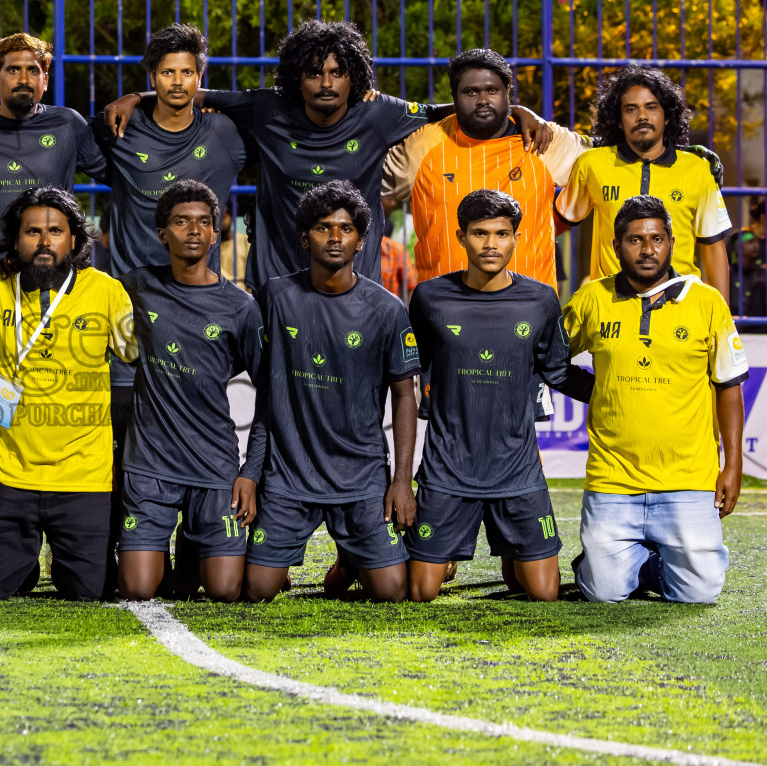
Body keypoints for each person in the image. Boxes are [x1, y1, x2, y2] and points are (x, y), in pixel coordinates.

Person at [101, 20, 550, 292]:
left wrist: (520, 109)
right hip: (278, 284)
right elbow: (189, 94)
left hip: (356, 284)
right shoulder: (268, 107)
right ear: (298, 78)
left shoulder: (379, 113)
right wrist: (135, 98)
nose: (326, 83)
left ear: (354, 78)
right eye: (315, 73)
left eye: (338, 72)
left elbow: (447, 108)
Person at [405, 190, 594, 603]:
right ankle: (446, 555)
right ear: (460, 237)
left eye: (502, 233)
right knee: (421, 592)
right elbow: (407, 367)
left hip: (517, 469)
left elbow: (558, 370)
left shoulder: (541, 299)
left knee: (543, 594)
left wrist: (613, 395)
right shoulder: (429, 297)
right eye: (480, 233)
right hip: (448, 468)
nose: (491, 244)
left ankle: (510, 549)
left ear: (516, 239)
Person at [235, 181, 419, 603]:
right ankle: (315, 557)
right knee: (256, 590)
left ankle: (353, 560)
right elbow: (266, 393)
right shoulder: (276, 297)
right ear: (304, 238)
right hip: (289, 475)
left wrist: (402, 480)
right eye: (323, 228)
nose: (335, 237)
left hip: (361, 475)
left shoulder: (387, 309)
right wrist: (251, 470)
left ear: (360, 240)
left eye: (346, 229)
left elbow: (405, 395)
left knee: (392, 593)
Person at [563, 195, 746, 604]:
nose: (647, 249)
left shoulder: (706, 301)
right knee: (602, 594)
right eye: (635, 240)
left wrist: (732, 465)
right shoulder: (592, 299)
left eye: (656, 239)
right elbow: (548, 359)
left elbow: (729, 385)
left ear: (671, 243)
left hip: (688, 480)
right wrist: (595, 390)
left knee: (698, 595)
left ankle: (648, 563)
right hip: (614, 479)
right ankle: (608, 563)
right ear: (616, 246)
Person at [0, 186, 137, 601]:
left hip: (84, 474)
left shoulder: (107, 291)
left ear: (74, 239)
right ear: (15, 238)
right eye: (32, 232)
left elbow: (137, 355)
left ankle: (55, 557)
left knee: (90, 593)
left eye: (55, 231)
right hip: (5, 470)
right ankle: (21, 561)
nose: (44, 242)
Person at [92, 24, 246, 436]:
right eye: (166, 73)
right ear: (152, 77)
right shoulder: (120, 128)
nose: (177, 82)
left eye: (186, 73)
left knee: (195, 440)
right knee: (123, 451)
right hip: (130, 309)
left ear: (200, 77)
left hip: (196, 315)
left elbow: (275, 124)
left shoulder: (225, 134)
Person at [116, 180, 262, 603]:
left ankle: (194, 544)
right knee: (138, 588)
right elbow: (78, 289)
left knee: (225, 590)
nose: (194, 230)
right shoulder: (135, 287)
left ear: (216, 233)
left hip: (214, 464)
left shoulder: (240, 306)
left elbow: (270, 394)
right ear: (163, 234)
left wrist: (250, 472)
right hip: (150, 464)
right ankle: (169, 547)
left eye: (203, 222)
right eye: (181, 222)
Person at [383, 48, 588, 288]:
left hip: (530, 312)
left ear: (507, 92)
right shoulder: (423, 147)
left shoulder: (542, 141)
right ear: (454, 96)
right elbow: (364, 179)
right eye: (471, 92)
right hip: (443, 310)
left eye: (492, 90)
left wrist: (565, 215)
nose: (482, 100)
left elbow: (605, 162)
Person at [556, 67, 730, 296]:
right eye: (631, 109)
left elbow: (713, 248)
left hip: (681, 308)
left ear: (667, 116)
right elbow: (554, 224)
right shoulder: (591, 165)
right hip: (611, 307)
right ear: (618, 119)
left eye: (651, 107)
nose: (642, 116)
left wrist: (722, 319)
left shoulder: (698, 169)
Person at [0, 33, 107, 278]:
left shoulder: (67, 125)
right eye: (13, 70)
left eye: (33, 71)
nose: (23, 79)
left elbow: (126, 175)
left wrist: (139, 98)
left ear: (45, 79)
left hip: (52, 280)